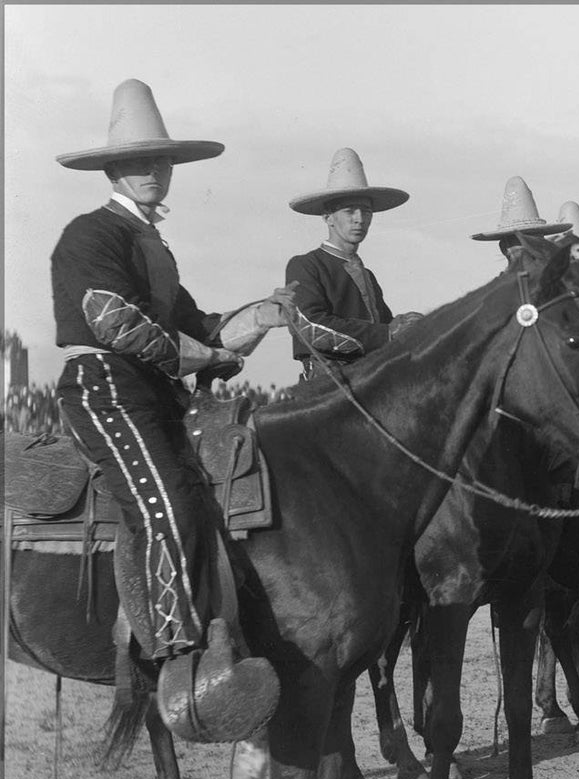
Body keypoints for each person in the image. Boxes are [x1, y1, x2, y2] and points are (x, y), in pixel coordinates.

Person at [50, 79, 295, 737]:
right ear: (112, 169)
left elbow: (199, 326)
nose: (153, 171)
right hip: (106, 392)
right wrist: (209, 358)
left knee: (213, 500)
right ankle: (178, 658)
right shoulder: (91, 234)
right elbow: (118, 325)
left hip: (154, 395)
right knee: (170, 506)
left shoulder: (154, 246)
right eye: (139, 161)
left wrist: (261, 317)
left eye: (160, 162)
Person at [285, 148, 421, 381]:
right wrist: (387, 334)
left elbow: (386, 327)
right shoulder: (305, 265)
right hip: (327, 385)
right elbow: (310, 326)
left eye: (366, 212)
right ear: (328, 217)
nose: (360, 219)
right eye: (350, 211)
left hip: (371, 379)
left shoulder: (367, 275)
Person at [470, 175, 572, 271]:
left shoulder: (556, 281)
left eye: (537, 241)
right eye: (523, 240)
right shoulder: (501, 288)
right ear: (505, 248)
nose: (532, 247)